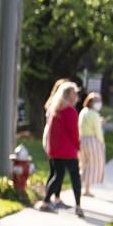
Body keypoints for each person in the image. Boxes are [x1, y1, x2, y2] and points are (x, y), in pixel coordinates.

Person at [38, 79, 83, 217]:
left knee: (58, 175)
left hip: (56, 151)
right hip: (68, 151)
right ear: (68, 95)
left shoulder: (55, 111)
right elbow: (73, 133)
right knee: (75, 177)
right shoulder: (70, 111)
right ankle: (78, 206)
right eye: (74, 93)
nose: (76, 96)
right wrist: (78, 147)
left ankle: (46, 201)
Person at [78, 91, 107, 198]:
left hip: (82, 140)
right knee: (92, 165)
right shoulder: (94, 114)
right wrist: (101, 143)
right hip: (93, 141)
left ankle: (82, 187)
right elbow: (98, 131)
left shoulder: (83, 112)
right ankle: (87, 190)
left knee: (84, 164)